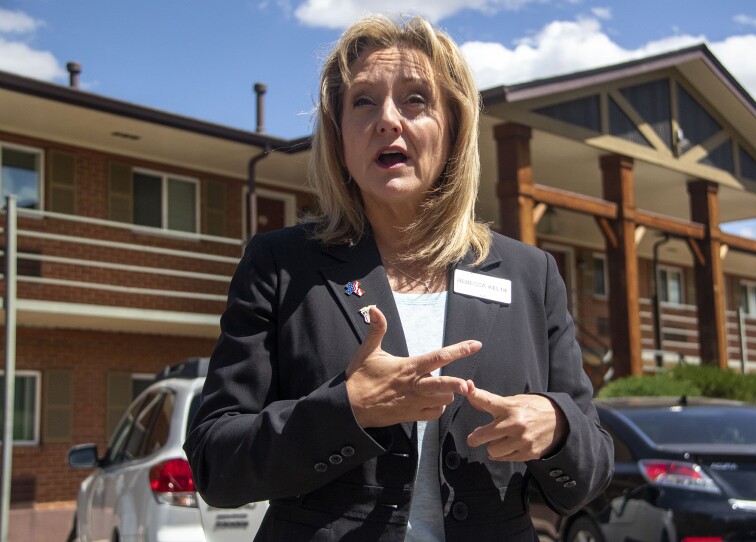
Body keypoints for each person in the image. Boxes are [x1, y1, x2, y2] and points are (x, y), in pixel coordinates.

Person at [184, 14, 613, 542]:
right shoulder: (280, 265)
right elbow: (215, 463)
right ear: (339, 137)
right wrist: (347, 409)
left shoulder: (531, 274)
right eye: (363, 101)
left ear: (453, 129)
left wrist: (557, 427)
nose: (388, 119)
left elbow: (591, 473)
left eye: (415, 100)